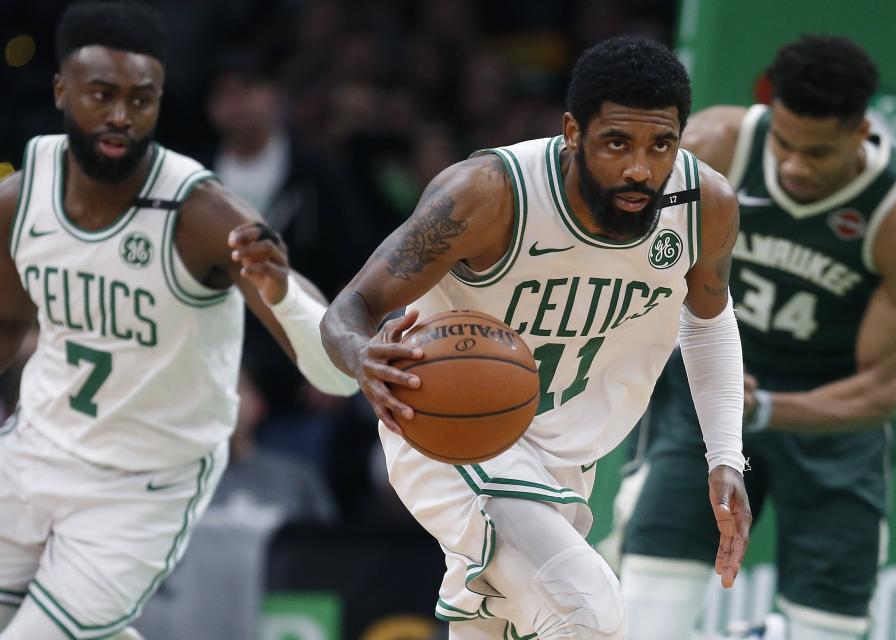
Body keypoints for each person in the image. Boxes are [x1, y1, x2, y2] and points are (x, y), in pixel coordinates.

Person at [321, 35, 752, 639]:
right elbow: (350, 309)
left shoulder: (704, 204)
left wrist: (725, 455)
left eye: (662, 145)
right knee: (588, 610)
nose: (640, 168)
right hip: (454, 428)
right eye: (616, 143)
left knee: (503, 629)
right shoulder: (487, 194)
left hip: (567, 456)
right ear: (573, 132)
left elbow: (708, 321)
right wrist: (363, 356)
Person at [0, 3, 356, 639]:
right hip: (35, 453)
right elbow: (6, 325)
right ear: (61, 90)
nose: (121, 116)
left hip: (144, 485)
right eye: (101, 95)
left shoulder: (198, 210)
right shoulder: (23, 197)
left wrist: (283, 294)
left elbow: (337, 378)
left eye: (141, 99)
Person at [617, 36, 896, 640]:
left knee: (829, 631)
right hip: (708, 394)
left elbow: (885, 390)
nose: (793, 165)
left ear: (860, 131)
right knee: (645, 624)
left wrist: (765, 408)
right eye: (786, 143)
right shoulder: (720, 146)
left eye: (817, 153)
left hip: (828, 422)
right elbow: (638, 266)